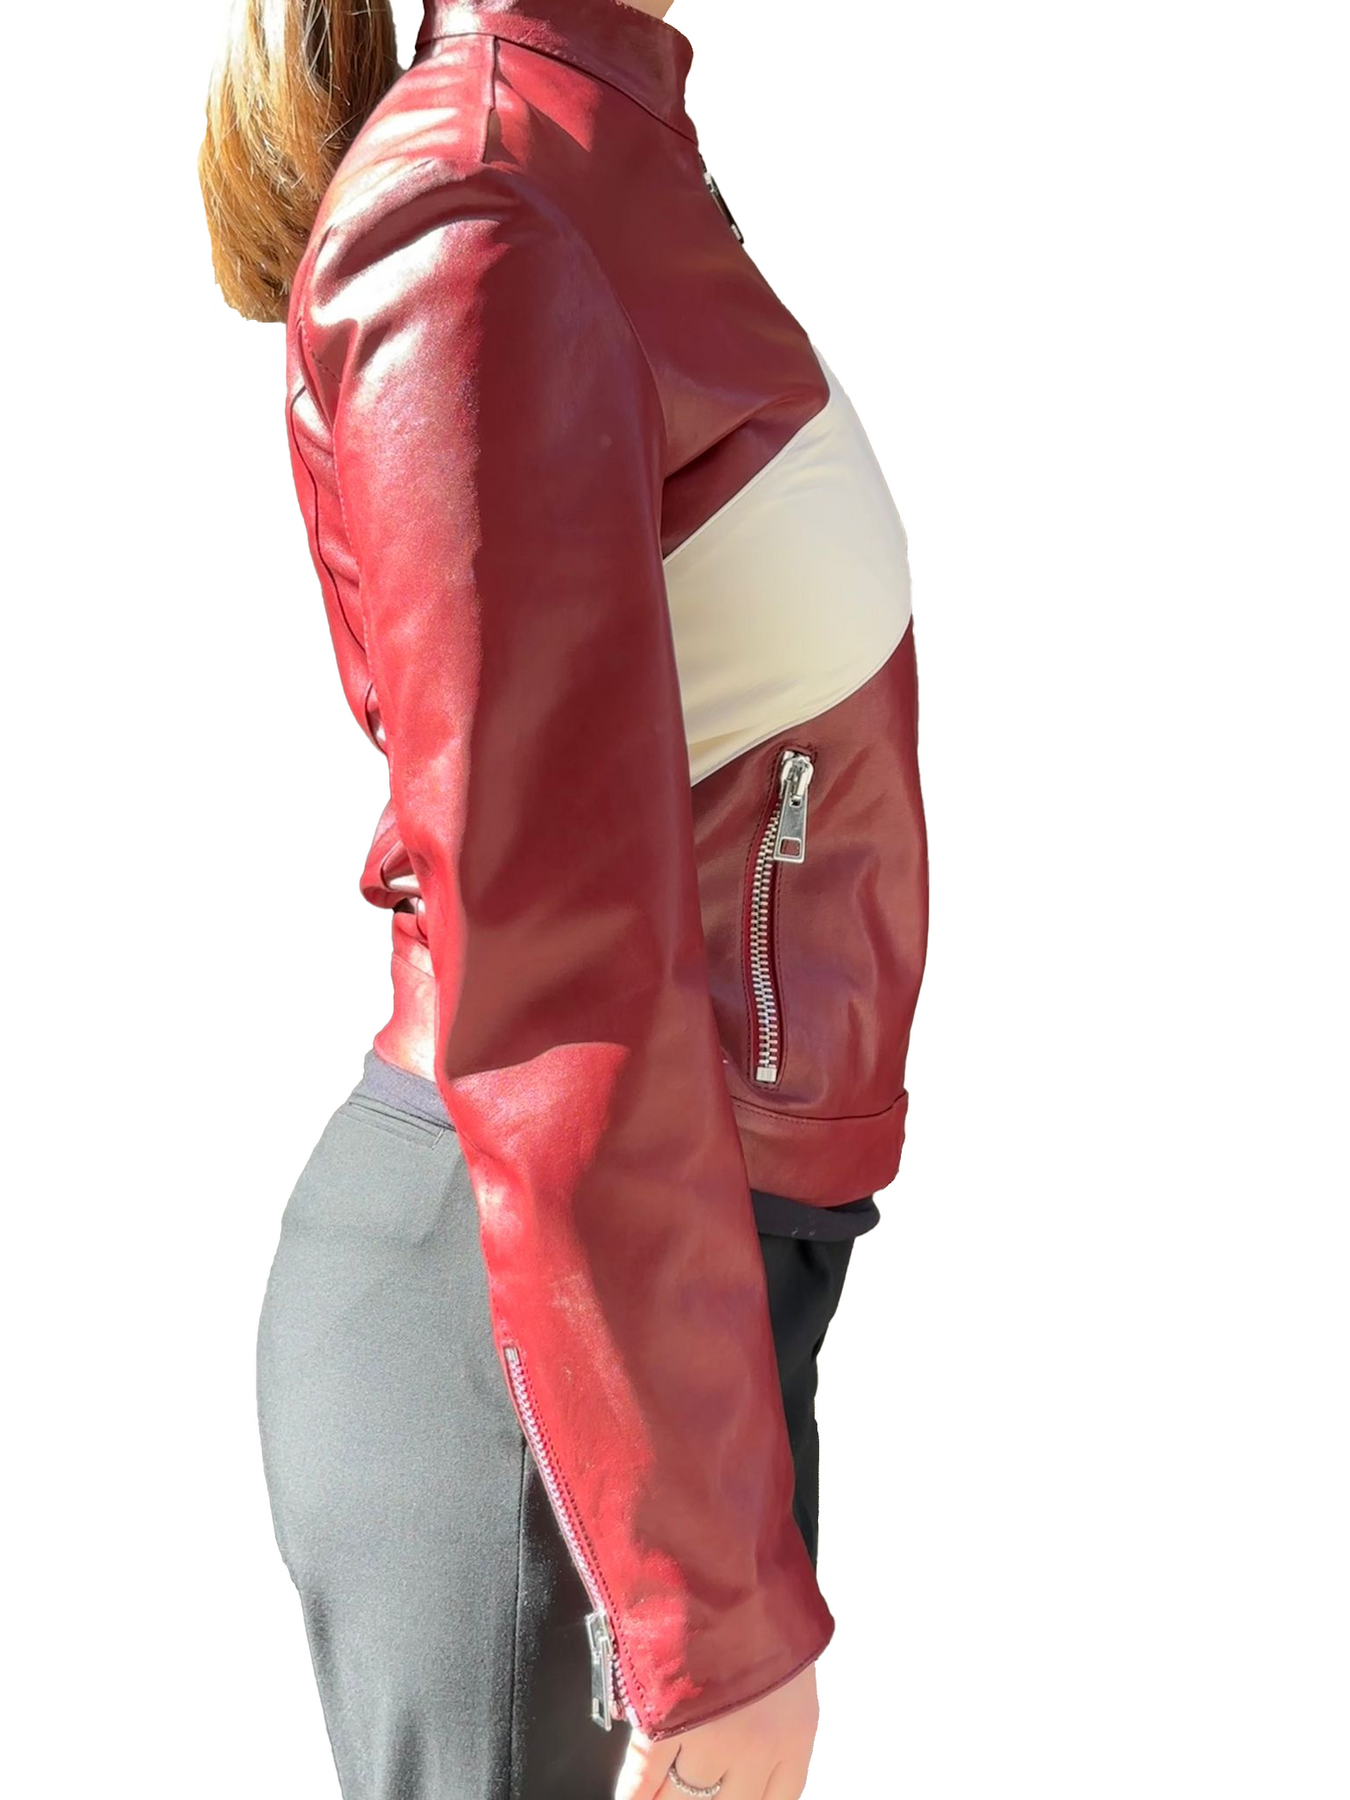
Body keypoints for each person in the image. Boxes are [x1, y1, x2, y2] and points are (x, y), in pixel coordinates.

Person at [198, 1, 928, 1795]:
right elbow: (549, 945)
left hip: (659, 1297)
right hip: (541, 1330)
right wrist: (704, 1612)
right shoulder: (481, 207)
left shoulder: (598, 159)